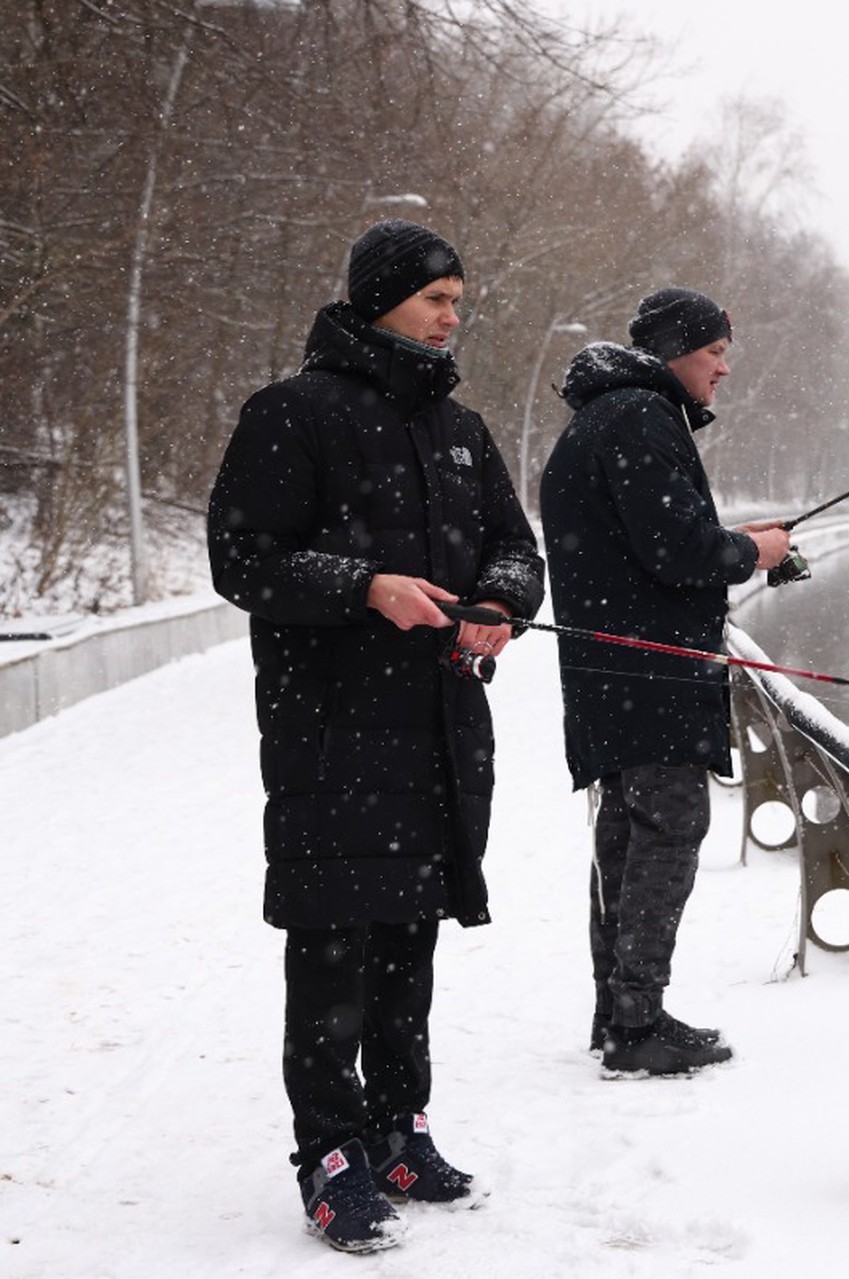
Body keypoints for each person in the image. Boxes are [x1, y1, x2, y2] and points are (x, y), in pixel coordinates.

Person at [206, 220, 545, 1253]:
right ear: (381, 298)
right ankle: (331, 1154)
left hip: (440, 727)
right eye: (437, 298)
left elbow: (516, 547)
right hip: (330, 735)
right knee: (331, 947)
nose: (452, 317)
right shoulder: (289, 413)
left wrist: (500, 604)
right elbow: (242, 558)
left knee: (410, 937)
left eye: (458, 301)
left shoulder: (460, 427)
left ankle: (401, 1128)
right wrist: (365, 587)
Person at [539, 287, 789, 1078]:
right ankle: (637, 1021)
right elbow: (677, 550)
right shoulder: (641, 417)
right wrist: (754, 554)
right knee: (669, 828)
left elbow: (649, 536)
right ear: (678, 349)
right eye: (715, 351)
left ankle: (616, 1011)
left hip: (613, 673)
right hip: (649, 672)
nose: (724, 367)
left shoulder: (603, 417)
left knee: (625, 835)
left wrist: (734, 542)